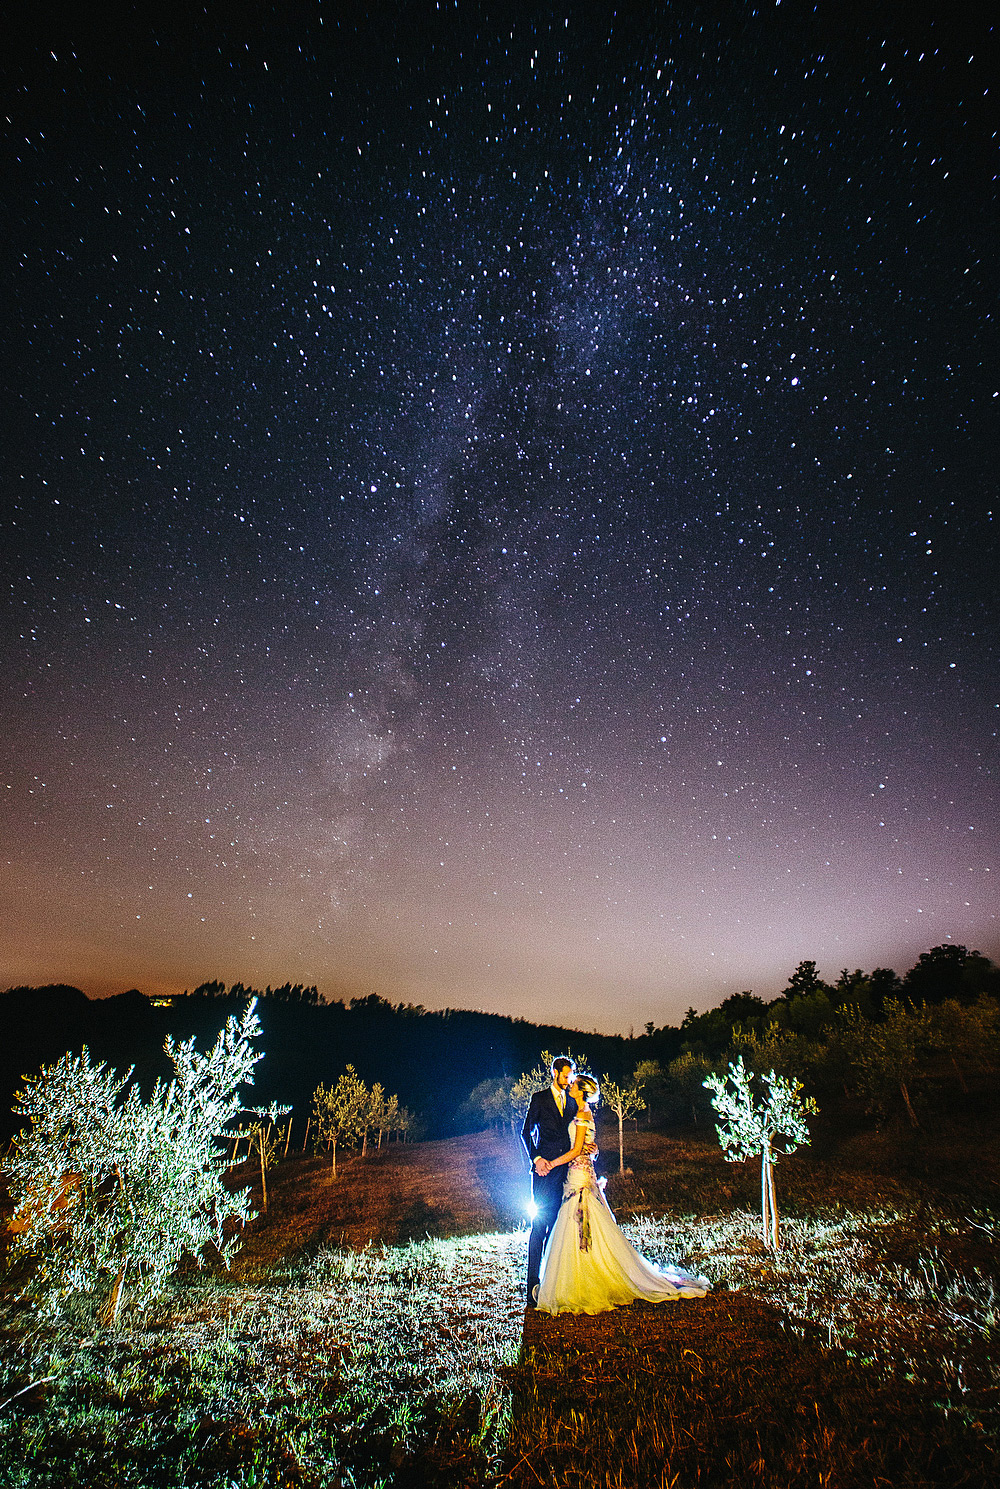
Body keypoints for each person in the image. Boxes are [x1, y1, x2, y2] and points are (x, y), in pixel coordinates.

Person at [535, 1074, 710, 1315]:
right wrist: (589, 1153)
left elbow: (577, 1149)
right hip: (579, 1172)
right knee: (579, 1223)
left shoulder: (583, 1114)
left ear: (581, 1091)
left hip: (580, 1174)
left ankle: (589, 1278)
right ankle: (587, 1273)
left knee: (580, 1220)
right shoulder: (581, 1113)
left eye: (574, 1084)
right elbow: (584, 1145)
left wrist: (552, 1164)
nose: (571, 1086)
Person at [520, 1056, 580, 1308]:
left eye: (571, 1077)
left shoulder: (574, 1102)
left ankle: (553, 1280)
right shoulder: (539, 1098)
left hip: (567, 1172)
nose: (569, 1080)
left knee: (560, 1227)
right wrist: (536, 1158)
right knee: (540, 1226)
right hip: (544, 1172)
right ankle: (532, 1284)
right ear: (554, 1072)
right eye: (566, 1075)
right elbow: (525, 1132)